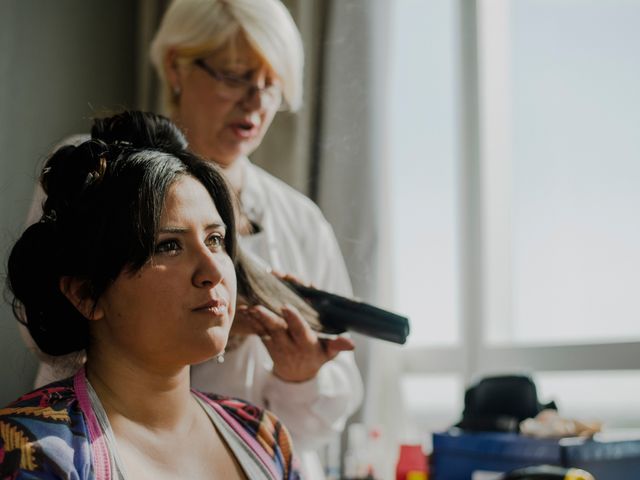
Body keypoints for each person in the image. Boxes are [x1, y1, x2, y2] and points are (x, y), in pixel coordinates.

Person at [1, 111, 300, 479]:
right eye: (169, 246)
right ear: (85, 294)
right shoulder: (35, 451)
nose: (212, 272)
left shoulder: (264, 438)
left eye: (215, 240)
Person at [148, 3, 364, 477]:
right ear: (175, 66)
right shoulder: (97, 178)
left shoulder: (301, 221)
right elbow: (58, 341)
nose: (255, 103)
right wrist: (219, 328)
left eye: (271, 85)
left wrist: (300, 375)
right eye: (235, 76)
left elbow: (319, 423)